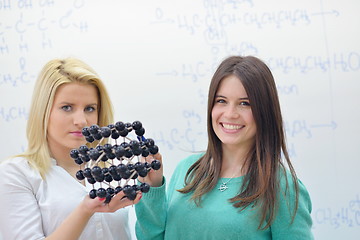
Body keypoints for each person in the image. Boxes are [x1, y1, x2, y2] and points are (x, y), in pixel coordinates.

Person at [135, 56, 314, 239]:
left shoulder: (282, 186)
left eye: (245, 103)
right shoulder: (187, 170)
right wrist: (153, 187)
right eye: (221, 101)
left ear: (264, 111)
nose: (230, 114)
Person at [0, 58, 142, 240]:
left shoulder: (114, 170)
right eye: (67, 107)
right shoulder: (17, 173)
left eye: (90, 108)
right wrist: (84, 211)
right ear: (44, 112)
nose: (81, 121)